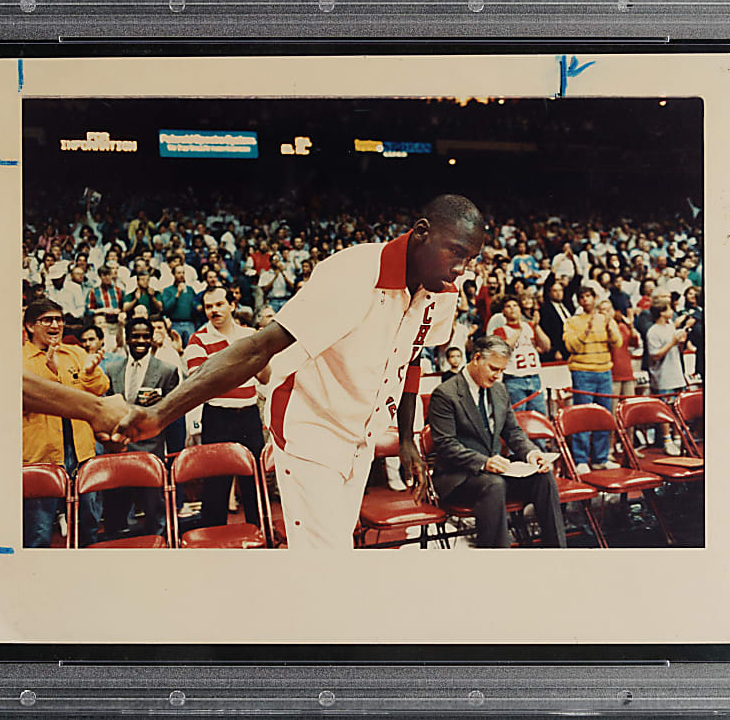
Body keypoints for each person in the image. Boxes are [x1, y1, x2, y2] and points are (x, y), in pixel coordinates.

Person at [110, 194, 487, 549]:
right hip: (311, 429)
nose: (461, 269)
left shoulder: (443, 290)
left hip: (360, 435)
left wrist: (405, 439)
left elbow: (413, 357)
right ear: (421, 232)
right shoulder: (354, 273)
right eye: (455, 252)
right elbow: (257, 348)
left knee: (332, 553)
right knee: (324, 562)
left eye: (469, 258)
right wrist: (162, 412)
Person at [427, 336, 564, 548]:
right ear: (477, 358)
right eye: (493, 369)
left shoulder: (499, 390)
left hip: (496, 473)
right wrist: (484, 462)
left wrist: (531, 454)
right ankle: (497, 563)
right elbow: (446, 445)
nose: (498, 376)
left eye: (502, 370)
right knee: (494, 484)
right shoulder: (445, 394)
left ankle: (557, 553)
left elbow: (513, 431)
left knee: (543, 476)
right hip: (460, 477)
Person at [22, 299, 109, 547]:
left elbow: (101, 388)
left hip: (82, 450)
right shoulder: (19, 360)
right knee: (39, 529)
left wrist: (91, 373)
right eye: (47, 320)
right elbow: (29, 399)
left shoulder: (76, 353)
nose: (55, 325)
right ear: (30, 326)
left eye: (59, 319)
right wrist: (51, 371)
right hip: (42, 454)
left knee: (89, 522)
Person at [183, 286, 271, 528]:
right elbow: (203, 383)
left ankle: (263, 535)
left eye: (219, 304)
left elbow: (264, 377)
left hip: (249, 415)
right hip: (218, 417)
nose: (214, 310)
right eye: (209, 306)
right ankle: (214, 541)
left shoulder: (251, 334)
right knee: (216, 485)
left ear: (232, 305)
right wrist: (245, 363)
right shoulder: (197, 339)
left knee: (255, 480)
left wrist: (264, 354)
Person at [101, 317, 179, 539]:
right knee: (116, 517)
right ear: (127, 338)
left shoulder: (167, 371)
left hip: (150, 453)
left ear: (152, 339)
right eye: (136, 336)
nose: (141, 341)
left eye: (146, 336)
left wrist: (161, 401)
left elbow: (174, 413)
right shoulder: (112, 368)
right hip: (119, 453)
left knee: (156, 517)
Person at [563, 286, 623, 474]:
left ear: (594, 298)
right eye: (582, 297)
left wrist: (609, 327)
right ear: (579, 301)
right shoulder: (572, 322)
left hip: (604, 371)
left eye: (589, 296)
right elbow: (571, 346)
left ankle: (601, 458)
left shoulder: (605, 318)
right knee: (583, 417)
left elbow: (617, 343)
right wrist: (586, 330)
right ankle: (581, 460)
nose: (586, 300)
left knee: (603, 416)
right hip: (582, 371)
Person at [492, 296, 551, 417]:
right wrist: (518, 330)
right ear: (503, 312)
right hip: (514, 379)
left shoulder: (530, 326)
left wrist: (536, 327)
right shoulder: (500, 330)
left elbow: (546, 346)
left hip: (534, 377)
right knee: (518, 418)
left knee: (539, 417)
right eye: (508, 306)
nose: (512, 309)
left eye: (515, 306)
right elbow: (505, 350)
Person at [646, 297, 689, 455]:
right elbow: (655, 355)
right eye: (670, 309)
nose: (673, 312)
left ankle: (678, 437)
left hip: (676, 373)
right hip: (663, 377)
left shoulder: (671, 326)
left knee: (677, 408)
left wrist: (680, 341)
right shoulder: (653, 331)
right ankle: (667, 439)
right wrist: (672, 342)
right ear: (662, 312)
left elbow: (677, 349)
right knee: (665, 409)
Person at [160, 263, 198, 342]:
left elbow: (195, 305)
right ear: (173, 274)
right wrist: (177, 295)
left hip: (189, 324)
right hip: (175, 324)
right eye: (179, 273)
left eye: (183, 273)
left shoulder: (190, 290)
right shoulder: (168, 290)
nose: (181, 275)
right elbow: (166, 308)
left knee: (191, 347)